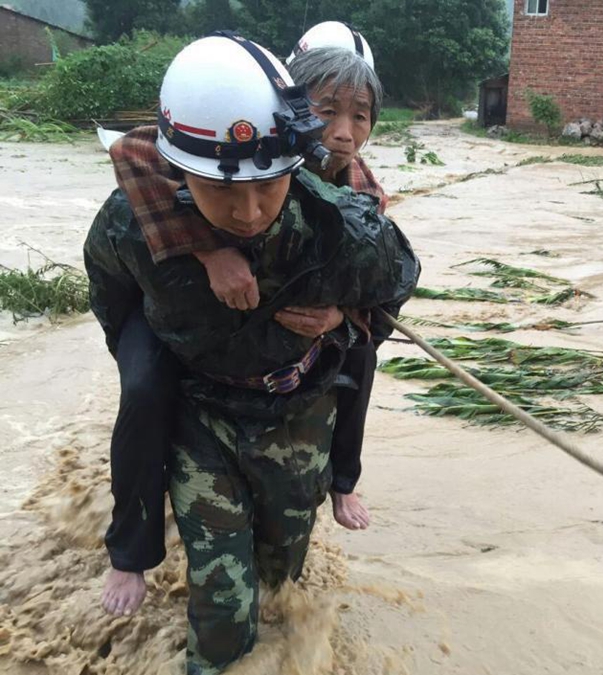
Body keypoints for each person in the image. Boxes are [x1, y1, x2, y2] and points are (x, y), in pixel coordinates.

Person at [84, 33, 419, 674]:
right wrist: (144, 335)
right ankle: (138, 554)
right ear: (182, 173)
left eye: (268, 187)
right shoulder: (137, 218)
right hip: (200, 405)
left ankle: (340, 483)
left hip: (298, 403)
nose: (247, 210)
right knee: (221, 600)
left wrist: (344, 318)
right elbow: (108, 276)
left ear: (293, 164)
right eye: (222, 191)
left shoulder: (346, 222)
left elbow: (396, 276)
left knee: (281, 567)